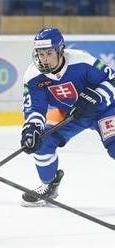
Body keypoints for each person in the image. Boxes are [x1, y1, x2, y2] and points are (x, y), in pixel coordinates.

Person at [20, 28, 115, 207]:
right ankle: (49, 185)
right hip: (72, 114)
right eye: (40, 54)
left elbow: (112, 80)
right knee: (42, 142)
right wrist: (31, 128)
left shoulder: (82, 61)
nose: (44, 58)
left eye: (49, 53)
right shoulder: (33, 76)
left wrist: (98, 96)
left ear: (60, 50)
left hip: (104, 109)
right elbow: (35, 107)